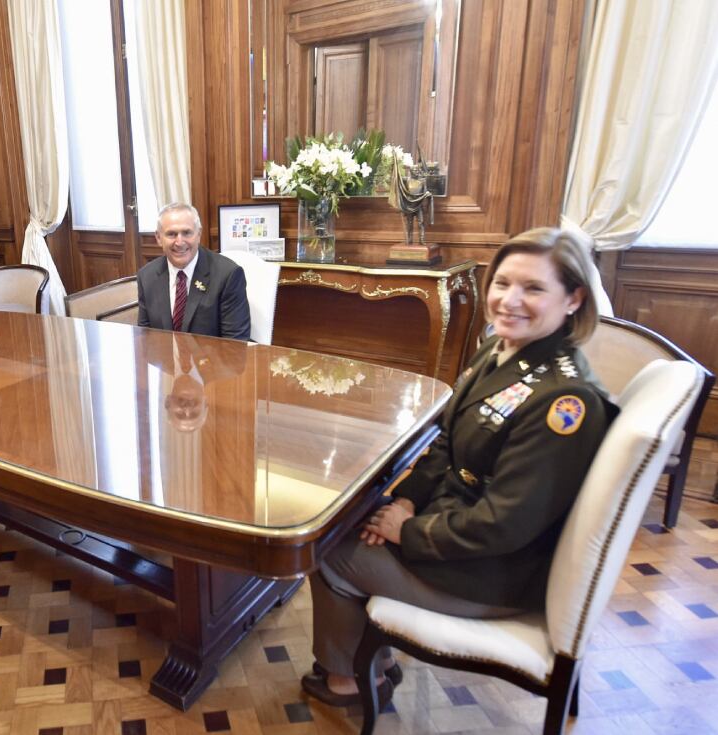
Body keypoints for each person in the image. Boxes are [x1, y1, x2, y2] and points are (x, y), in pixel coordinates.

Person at [303, 227, 617, 713]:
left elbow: (504, 525)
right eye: (502, 282)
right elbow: (447, 441)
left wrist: (408, 531)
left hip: (491, 573)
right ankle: (370, 660)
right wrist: (406, 500)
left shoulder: (564, 399)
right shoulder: (502, 350)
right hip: (458, 531)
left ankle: (348, 678)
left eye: (533, 288)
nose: (509, 300)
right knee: (355, 514)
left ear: (574, 298)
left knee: (328, 547)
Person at [137, 203, 250, 340]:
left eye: (187, 233)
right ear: (159, 238)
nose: (179, 242)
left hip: (211, 360)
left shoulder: (228, 275)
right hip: (164, 359)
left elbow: (235, 344)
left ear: (199, 234)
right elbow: (145, 336)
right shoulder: (146, 276)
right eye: (171, 234)